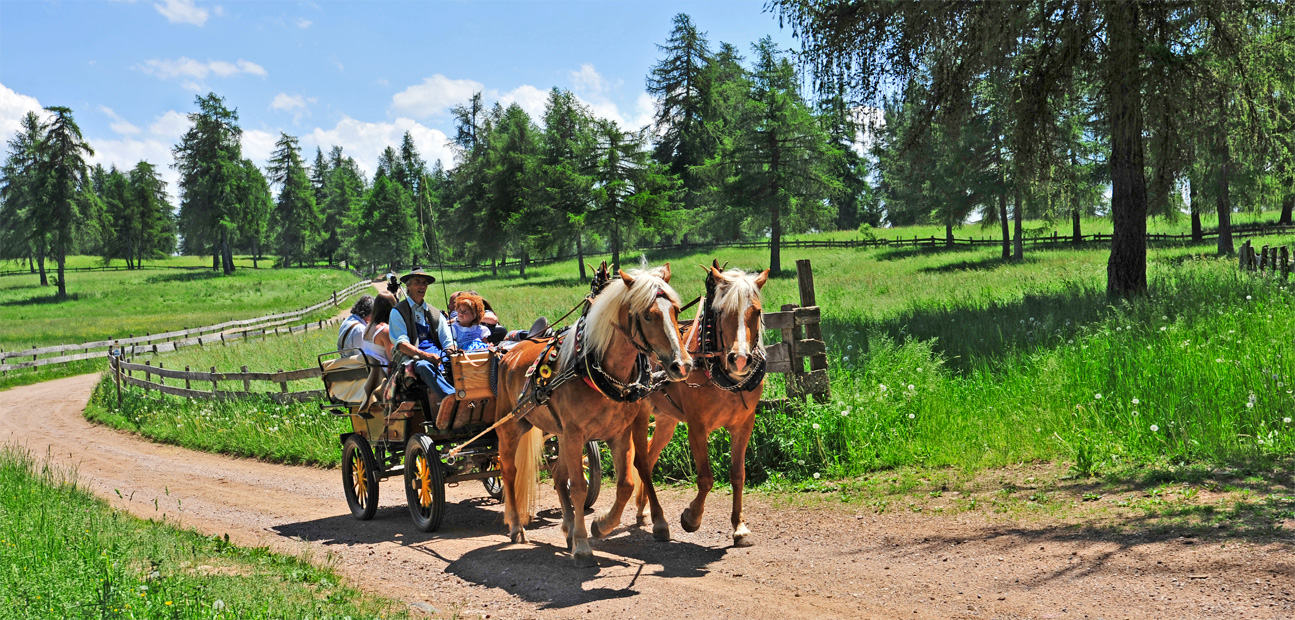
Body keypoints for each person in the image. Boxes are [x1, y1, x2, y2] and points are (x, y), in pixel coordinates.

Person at [389, 268, 457, 408]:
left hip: (438, 355)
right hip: (413, 357)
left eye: (424, 283)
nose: (422, 286)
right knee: (423, 365)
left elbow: (447, 341)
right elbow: (402, 344)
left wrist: (451, 351)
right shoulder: (398, 311)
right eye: (417, 282)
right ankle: (452, 398)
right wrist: (426, 356)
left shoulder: (435, 313)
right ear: (408, 286)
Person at [361, 292, 397, 367]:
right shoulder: (385, 331)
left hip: (368, 369)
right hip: (381, 371)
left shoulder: (368, 326)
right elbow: (392, 358)